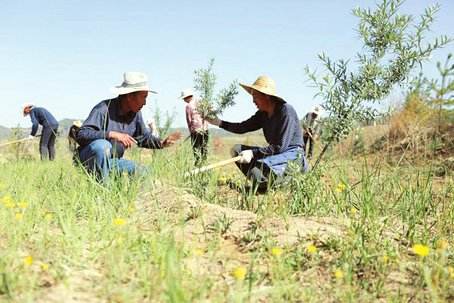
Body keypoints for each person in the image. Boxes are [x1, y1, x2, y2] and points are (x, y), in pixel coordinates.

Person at [207, 75, 308, 192]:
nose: (253, 100)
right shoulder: (262, 114)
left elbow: (280, 147)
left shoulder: (286, 111)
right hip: (275, 153)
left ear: (267, 96)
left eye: (255, 96)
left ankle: (279, 184)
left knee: (260, 168)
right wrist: (218, 122)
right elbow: (242, 127)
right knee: (237, 150)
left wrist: (252, 153)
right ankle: (263, 186)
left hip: (291, 156)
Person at [75, 72, 181, 182]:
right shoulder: (103, 109)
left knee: (144, 171)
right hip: (89, 160)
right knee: (102, 146)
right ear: (130, 96)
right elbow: (81, 134)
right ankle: (104, 193)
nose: (145, 103)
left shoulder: (135, 114)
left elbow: (143, 137)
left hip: (112, 161)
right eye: (143, 97)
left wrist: (162, 143)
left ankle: (135, 197)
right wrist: (112, 134)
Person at [180, 88, 209, 165]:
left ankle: (198, 165)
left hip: (195, 131)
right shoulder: (200, 102)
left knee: (196, 149)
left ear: (187, 97)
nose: (183, 100)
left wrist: (191, 131)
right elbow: (207, 115)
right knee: (204, 148)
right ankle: (204, 164)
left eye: (184, 98)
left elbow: (189, 120)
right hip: (205, 129)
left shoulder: (188, 106)